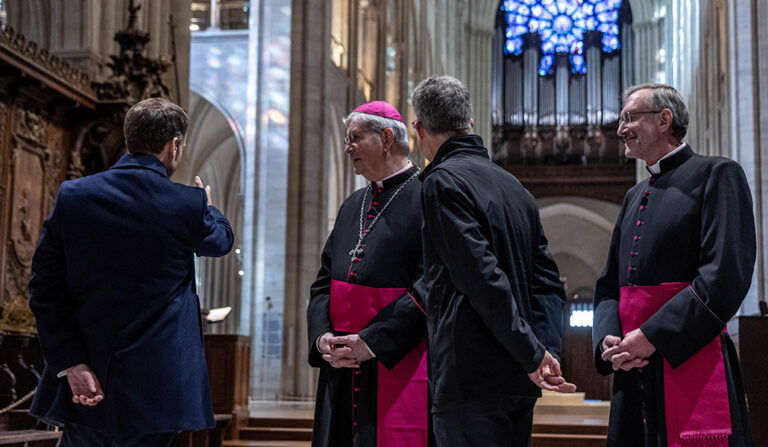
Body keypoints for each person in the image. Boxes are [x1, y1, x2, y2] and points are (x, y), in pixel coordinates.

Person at [28, 97, 234, 446]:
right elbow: (221, 242)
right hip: (158, 389)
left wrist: (70, 363)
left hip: (86, 382)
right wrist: (209, 207)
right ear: (174, 145)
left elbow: (44, 290)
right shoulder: (187, 204)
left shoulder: (75, 196)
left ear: (129, 139)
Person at [412, 75, 575, 447]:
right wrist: (544, 349)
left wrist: (533, 355)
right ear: (470, 124)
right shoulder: (515, 187)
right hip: (518, 380)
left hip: (470, 378)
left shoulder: (442, 181)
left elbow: (482, 279)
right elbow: (548, 283)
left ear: (418, 129)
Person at [593, 83, 755, 446]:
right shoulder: (634, 195)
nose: (620, 129)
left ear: (664, 119)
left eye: (629, 118)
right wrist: (608, 341)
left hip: (689, 355)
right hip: (632, 367)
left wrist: (652, 336)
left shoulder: (718, 175)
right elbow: (607, 288)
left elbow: (724, 276)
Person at [307, 101, 428, 447]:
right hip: (341, 366)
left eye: (354, 138)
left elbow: (431, 286)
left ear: (387, 138)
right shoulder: (351, 205)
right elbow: (322, 282)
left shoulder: (428, 197)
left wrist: (372, 342)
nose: (347, 148)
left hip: (397, 362)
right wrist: (322, 339)